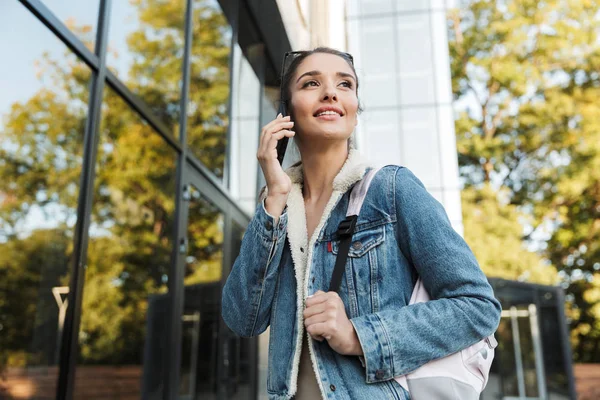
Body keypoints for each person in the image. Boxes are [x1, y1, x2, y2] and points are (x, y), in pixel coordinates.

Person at [221, 47, 501, 400]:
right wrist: (274, 199)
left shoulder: (391, 190)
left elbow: (477, 305)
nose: (330, 92)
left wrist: (360, 336)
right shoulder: (279, 208)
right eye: (311, 83)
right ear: (286, 112)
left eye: (345, 84)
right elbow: (242, 318)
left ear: (354, 111)